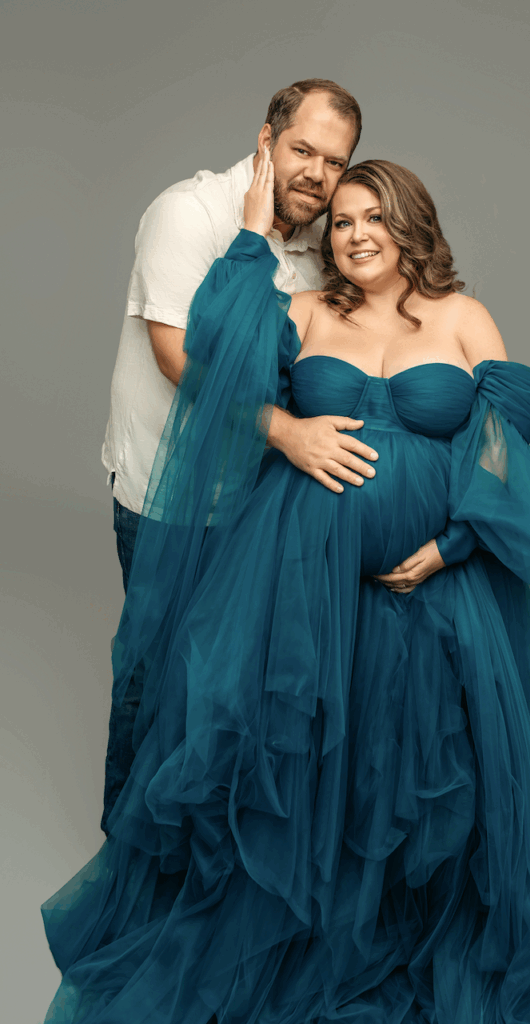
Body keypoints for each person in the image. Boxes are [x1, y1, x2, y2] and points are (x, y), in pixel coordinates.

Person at [43, 155, 530, 1024]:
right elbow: (218, 364)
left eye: (373, 217)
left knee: (431, 763)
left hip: (439, 583)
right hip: (303, 583)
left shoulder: (462, 318)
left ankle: (419, 920)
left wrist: (453, 544)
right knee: (308, 756)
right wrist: (256, 233)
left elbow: (503, 448)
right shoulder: (300, 310)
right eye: (341, 222)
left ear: (409, 223)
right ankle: (310, 924)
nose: (355, 235)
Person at [99, 79, 388, 835]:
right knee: (153, 666)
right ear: (266, 140)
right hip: (166, 494)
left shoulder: (317, 246)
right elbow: (178, 358)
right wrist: (288, 433)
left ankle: (206, 845)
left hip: (255, 499)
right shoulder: (185, 215)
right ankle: (128, 842)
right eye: (302, 151)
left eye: (334, 161)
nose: (317, 176)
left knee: (231, 675)